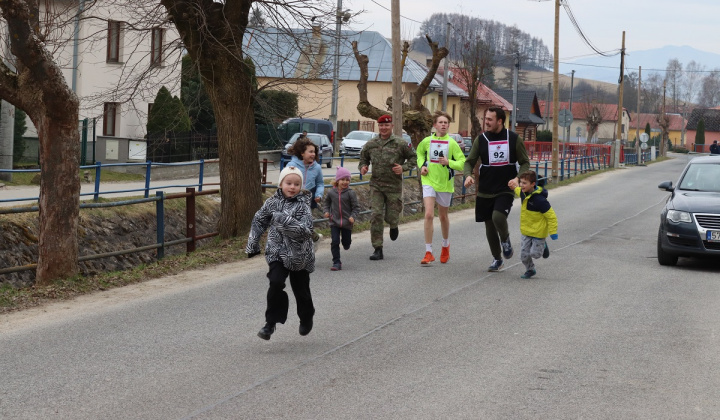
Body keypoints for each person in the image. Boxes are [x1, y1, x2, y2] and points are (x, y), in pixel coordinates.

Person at [246, 166, 316, 340]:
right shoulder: (271, 203)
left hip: (299, 256)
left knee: (301, 291)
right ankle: (270, 324)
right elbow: (259, 220)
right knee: (275, 283)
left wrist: (282, 219)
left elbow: (306, 230)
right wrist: (253, 244)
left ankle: (307, 317)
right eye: (289, 183)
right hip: (277, 252)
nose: (292, 187)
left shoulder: (303, 205)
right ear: (281, 184)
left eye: (296, 184)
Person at [463, 106, 530, 272]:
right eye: (485, 119)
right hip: (485, 188)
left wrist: (517, 178)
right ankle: (497, 258)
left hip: (505, 188)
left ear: (500, 121)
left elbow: (525, 163)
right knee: (489, 226)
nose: (486, 122)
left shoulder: (513, 138)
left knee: (498, 217)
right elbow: (469, 162)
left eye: (490, 120)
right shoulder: (481, 139)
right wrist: (468, 175)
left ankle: (505, 240)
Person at [359, 114, 417, 260]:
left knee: (391, 215)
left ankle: (393, 224)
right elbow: (363, 158)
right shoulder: (371, 144)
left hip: (393, 185)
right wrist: (363, 167)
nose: (383, 128)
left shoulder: (401, 143)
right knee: (376, 215)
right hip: (376, 185)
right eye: (381, 125)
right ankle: (377, 248)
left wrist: (403, 168)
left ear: (391, 126)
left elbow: (413, 158)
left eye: (386, 125)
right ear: (378, 126)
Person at [415, 110, 466, 264]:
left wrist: (449, 163)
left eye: (446, 123)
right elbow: (419, 154)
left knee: (443, 216)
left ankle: (445, 245)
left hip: (444, 183)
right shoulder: (427, 141)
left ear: (448, 126)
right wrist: (422, 166)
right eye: (441, 122)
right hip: (429, 180)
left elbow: (462, 162)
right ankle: (428, 251)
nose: (443, 125)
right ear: (435, 125)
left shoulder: (452, 143)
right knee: (429, 214)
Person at [513, 170, 558, 279]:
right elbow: (517, 190)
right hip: (526, 231)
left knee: (535, 254)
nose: (521, 185)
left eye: (524, 183)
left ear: (533, 184)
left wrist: (553, 232)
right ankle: (530, 269)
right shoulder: (523, 193)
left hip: (538, 232)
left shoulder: (540, 201)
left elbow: (551, 216)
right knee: (523, 255)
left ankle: (544, 245)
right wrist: (513, 186)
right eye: (521, 182)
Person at [286, 136, 324, 242]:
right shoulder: (292, 165)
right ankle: (314, 238)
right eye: (310, 151)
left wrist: (319, 195)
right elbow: (283, 183)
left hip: (309, 199)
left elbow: (320, 183)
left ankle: (309, 242)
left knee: (305, 224)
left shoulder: (317, 167)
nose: (313, 154)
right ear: (302, 153)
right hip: (294, 199)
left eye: (314, 152)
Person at [323, 166, 360, 271]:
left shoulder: (350, 193)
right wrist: (326, 212)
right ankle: (336, 262)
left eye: (347, 180)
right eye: (343, 179)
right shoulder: (331, 193)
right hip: (334, 221)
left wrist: (353, 216)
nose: (345, 182)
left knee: (346, 242)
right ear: (337, 180)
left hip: (347, 222)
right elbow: (326, 203)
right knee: (335, 241)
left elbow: (356, 208)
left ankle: (347, 243)